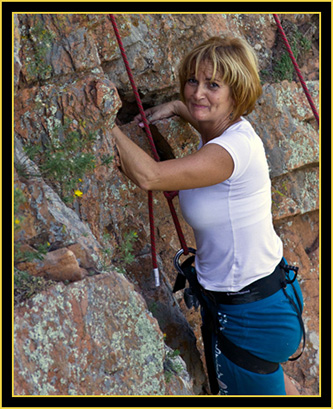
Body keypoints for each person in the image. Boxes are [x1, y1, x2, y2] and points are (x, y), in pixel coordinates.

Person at [111, 36, 304, 395]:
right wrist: (177, 106)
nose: (198, 93)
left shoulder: (231, 150)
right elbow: (204, 119)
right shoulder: (229, 131)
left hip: (251, 314)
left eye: (213, 85)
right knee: (268, 382)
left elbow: (150, 176)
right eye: (193, 81)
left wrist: (100, 121)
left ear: (237, 93)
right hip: (263, 300)